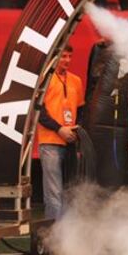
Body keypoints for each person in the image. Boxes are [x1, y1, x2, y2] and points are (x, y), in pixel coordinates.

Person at [36, 45, 85, 220]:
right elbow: (38, 113)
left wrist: (75, 129)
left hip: (70, 141)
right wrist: (60, 129)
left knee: (71, 189)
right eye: (63, 56)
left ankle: (68, 235)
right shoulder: (44, 79)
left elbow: (80, 111)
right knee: (54, 192)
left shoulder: (76, 81)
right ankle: (55, 236)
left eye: (69, 56)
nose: (67, 60)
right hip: (50, 141)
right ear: (54, 57)